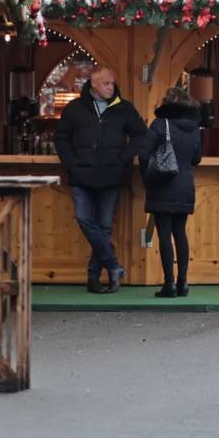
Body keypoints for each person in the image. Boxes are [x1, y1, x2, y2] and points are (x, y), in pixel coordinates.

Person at [52, 65, 145, 292]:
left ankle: (94, 277)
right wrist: (72, 163)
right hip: (81, 174)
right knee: (84, 218)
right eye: (106, 83)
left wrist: (122, 159)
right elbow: (61, 138)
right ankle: (113, 266)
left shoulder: (124, 109)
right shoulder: (75, 108)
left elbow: (141, 135)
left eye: (112, 83)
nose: (111, 87)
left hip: (111, 175)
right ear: (93, 84)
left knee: (103, 226)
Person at [135, 86, 205, 298]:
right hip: (185, 185)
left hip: (162, 184)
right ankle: (183, 283)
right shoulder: (194, 127)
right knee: (180, 233)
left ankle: (169, 284)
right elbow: (196, 159)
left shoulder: (160, 124)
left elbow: (143, 153)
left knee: (164, 235)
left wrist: (148, 177)